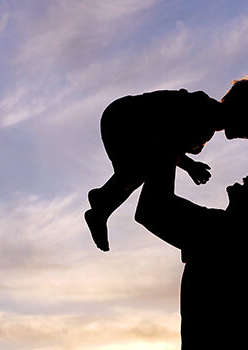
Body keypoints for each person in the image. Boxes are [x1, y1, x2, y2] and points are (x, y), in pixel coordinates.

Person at [94, 157, 248, 350]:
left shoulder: (223, 232)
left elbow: (153, 209)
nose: (245, 179)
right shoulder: (221, 229)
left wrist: (164, 141)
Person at [85, 79, 248, 251]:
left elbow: (169, 146)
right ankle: (102, 200)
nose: (245, 136)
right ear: (241, 111)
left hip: (128, 124)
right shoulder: (203, 111)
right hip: (124, 121)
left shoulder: (206, 123)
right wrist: (190, 165)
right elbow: (166, 142)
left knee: (138, 171)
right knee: (144, 168)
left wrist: (190, 165)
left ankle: (101, 204)